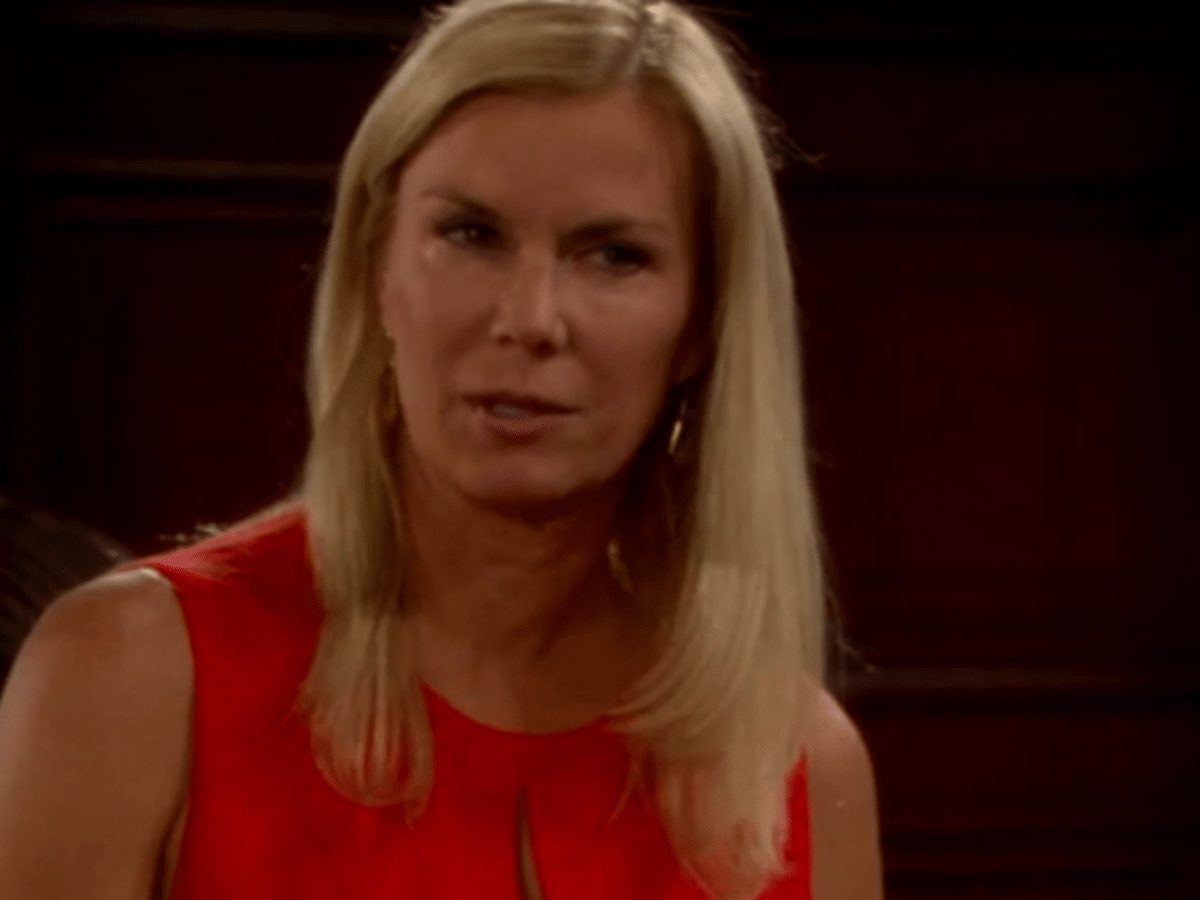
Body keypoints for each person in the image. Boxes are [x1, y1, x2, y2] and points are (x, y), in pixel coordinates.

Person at [0, 0, 882, 897]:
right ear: (378, 269)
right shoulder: (133, 676)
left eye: (614, 255)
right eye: (472, 235)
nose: (529, 319)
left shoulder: (797, 768)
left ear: (703, 323)